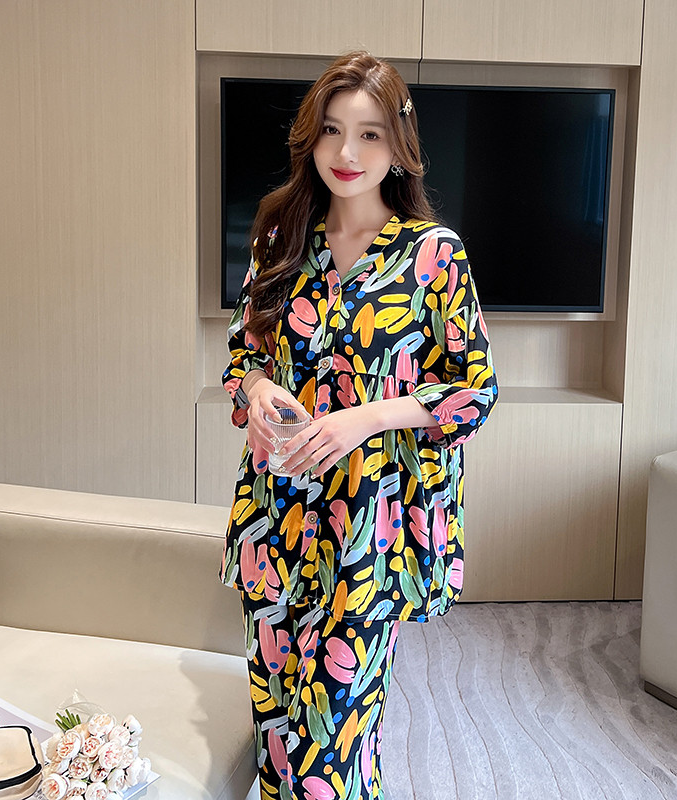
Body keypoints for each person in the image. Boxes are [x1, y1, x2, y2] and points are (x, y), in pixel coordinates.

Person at [220, 51, 498, 800]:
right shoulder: (279, 238)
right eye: (332, 130)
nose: (347, 152)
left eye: (370, 134)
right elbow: (244, 353)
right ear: (310, 138)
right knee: (276, 727)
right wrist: (256, 390)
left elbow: (475, 391)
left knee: (333, 740)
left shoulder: (433, 254)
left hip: (370, 526)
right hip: (276, 514)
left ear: (398, 144)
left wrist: (364, 420)